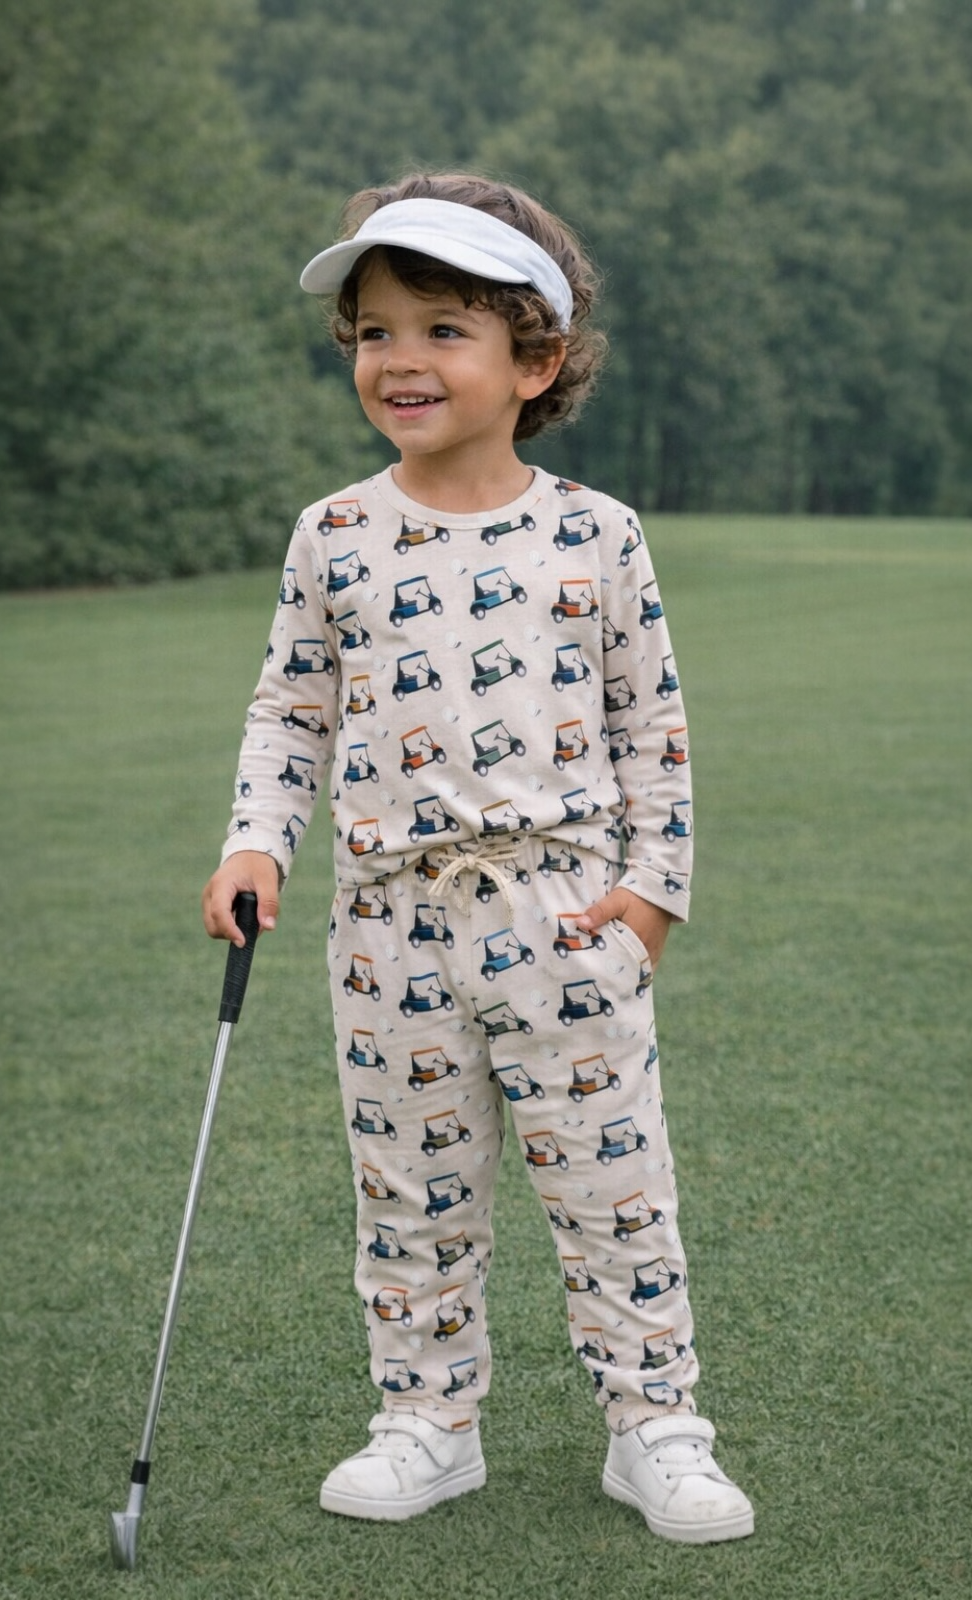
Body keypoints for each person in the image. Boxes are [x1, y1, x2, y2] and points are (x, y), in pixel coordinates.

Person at [202, 172, 754, 1545]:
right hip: (387, 923)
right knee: (406, 1193)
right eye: (376, 329)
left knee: (610, 1187)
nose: (401, 357)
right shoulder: (332, 534)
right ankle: (428, 1425)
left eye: (446, 327)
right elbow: (292, 708)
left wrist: (647, 902)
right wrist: (256, 841)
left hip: (565, 910)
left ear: (536, 360)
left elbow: (654, 726)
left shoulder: (595, 533)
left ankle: (656, 1430)